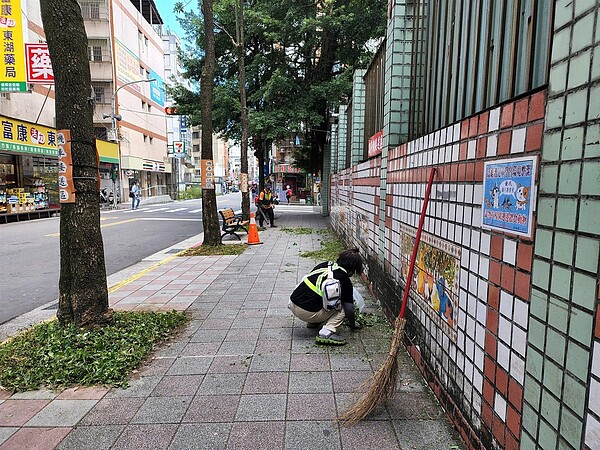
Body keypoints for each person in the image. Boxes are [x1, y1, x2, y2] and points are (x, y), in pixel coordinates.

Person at [289, 248, 365, 345]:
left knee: (322, 296)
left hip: (293, 303)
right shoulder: (344, 279)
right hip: (307, 312)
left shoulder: (325, 265)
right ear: (353, 268)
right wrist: (353, 324)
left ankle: (314, 322)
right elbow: (349, 308)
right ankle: (327, 332)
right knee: (342, 307)